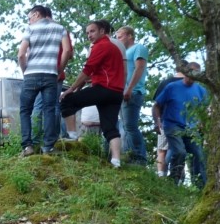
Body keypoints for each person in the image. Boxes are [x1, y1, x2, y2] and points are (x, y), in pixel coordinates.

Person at [60, 19, 125, 167]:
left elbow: (87, 70)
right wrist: (79, 87)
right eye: (87, 32)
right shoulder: (114, 48)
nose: (89, 35)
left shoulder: (101, 46)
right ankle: (116, 161)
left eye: (92, 31)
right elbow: (94, 73)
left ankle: (72, 137)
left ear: (102, 31)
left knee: (67, 101)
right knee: (109, 127)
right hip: (116, 93)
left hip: (104, 90)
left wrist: (71, 89)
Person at [18, 4, 73, 156]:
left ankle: (28, 146)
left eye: (29, 18)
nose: (29, 21)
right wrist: (59, 70)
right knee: (49, 110)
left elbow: (21, 54)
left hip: (31, 74)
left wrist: (25, 71)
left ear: (36, 14)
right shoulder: (60, 28)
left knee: (25, 111)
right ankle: (48, 147)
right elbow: (67, 51)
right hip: (51, 75)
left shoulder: (30, 29)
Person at [153, 62, 207, 188]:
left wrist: (202, 122)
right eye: (192, 72)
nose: (194, 75)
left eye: (197, 73)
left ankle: (201, 186)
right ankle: (173, 183)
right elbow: (156, 105)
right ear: (186, 71)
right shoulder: (172, 87)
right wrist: (157, 122)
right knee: (180, 152)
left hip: (191, 128)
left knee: (198, 154)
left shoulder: (201, 91)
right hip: (172, 125)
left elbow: (204, 110)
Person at [30, 7, 73, 145]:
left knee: (38, 106)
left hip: (36, 72)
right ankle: (52, 140)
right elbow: (69, 53)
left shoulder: (36, 29)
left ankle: (35, 140)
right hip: (55, 74)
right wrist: (60, 69)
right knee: (53, 106)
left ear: (40, 15)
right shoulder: (61, 29)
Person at [115, 26, 149, 165]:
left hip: (133, 92)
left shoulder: (138, 48)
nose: (118, 39)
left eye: (120, 36)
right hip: (122, 92)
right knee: (124, 125)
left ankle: (139, 157)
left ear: (130, 36)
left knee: (130, 126)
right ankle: (130, 154)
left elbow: (139, 67)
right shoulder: (123, 53)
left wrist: (129, 88)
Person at [151, 70, 186, 178]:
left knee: (162, 151)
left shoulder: (166, 82)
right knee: (178, 150)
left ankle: (161, 175)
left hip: (164, 120)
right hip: (183, 122)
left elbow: (157, 103)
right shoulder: (189, 85)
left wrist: (157, 122)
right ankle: (176, 176)